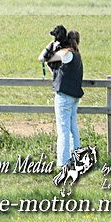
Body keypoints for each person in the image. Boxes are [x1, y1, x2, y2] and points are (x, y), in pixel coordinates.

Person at [47, 29, 84, 167]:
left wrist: (53, 43)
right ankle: (76, 158)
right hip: (74, 96)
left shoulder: (65, 53)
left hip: (64, 95)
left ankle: (63, 162)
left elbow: (44, 57)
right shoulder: (77, 55)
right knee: (73, 128)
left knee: (63, 130)